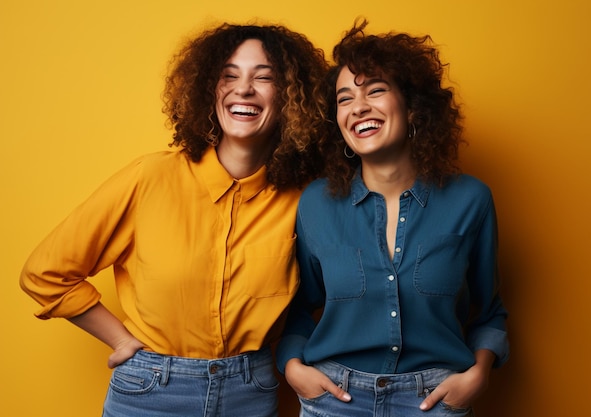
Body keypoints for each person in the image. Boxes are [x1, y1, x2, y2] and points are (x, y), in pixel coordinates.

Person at [20, 22, 328, 417]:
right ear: (207, 90)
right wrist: (119, 339)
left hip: (251, 392)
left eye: (263, 77)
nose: (244, 89)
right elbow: (44, 273)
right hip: (150, 391)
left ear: (291, 98)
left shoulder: (306, 198)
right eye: (228, 76)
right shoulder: (150, 178)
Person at [277, 20, 509, 416]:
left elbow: (488, 312)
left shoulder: (471, 199)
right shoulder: (315, 202)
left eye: (376, 91)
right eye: (344, 98)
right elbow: (298, 307)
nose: (359, 107)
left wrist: (478, 373)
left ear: (413, 105)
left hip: (434, 401)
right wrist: (294, 366)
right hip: (334, 401)